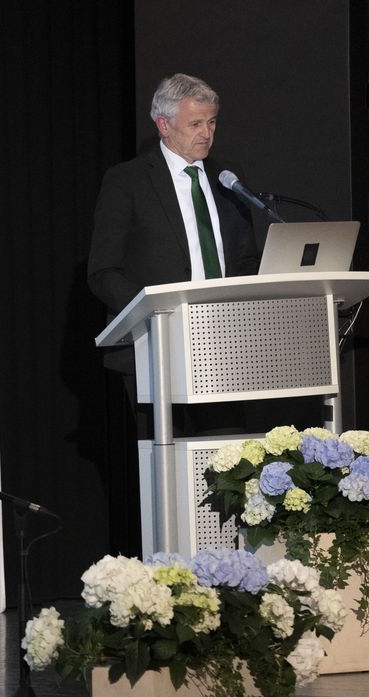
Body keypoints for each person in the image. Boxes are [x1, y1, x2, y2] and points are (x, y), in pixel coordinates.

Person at [87, 73, 262, 432]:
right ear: (163, 125)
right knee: (165, 459)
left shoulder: (227, 178)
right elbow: (103, 271)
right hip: (155, 348)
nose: (206, 133)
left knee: (227, 456)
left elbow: (245, 259)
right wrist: (155, 314)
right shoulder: (128, 180)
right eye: (195, 124)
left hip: (222, 347)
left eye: (211, 122)